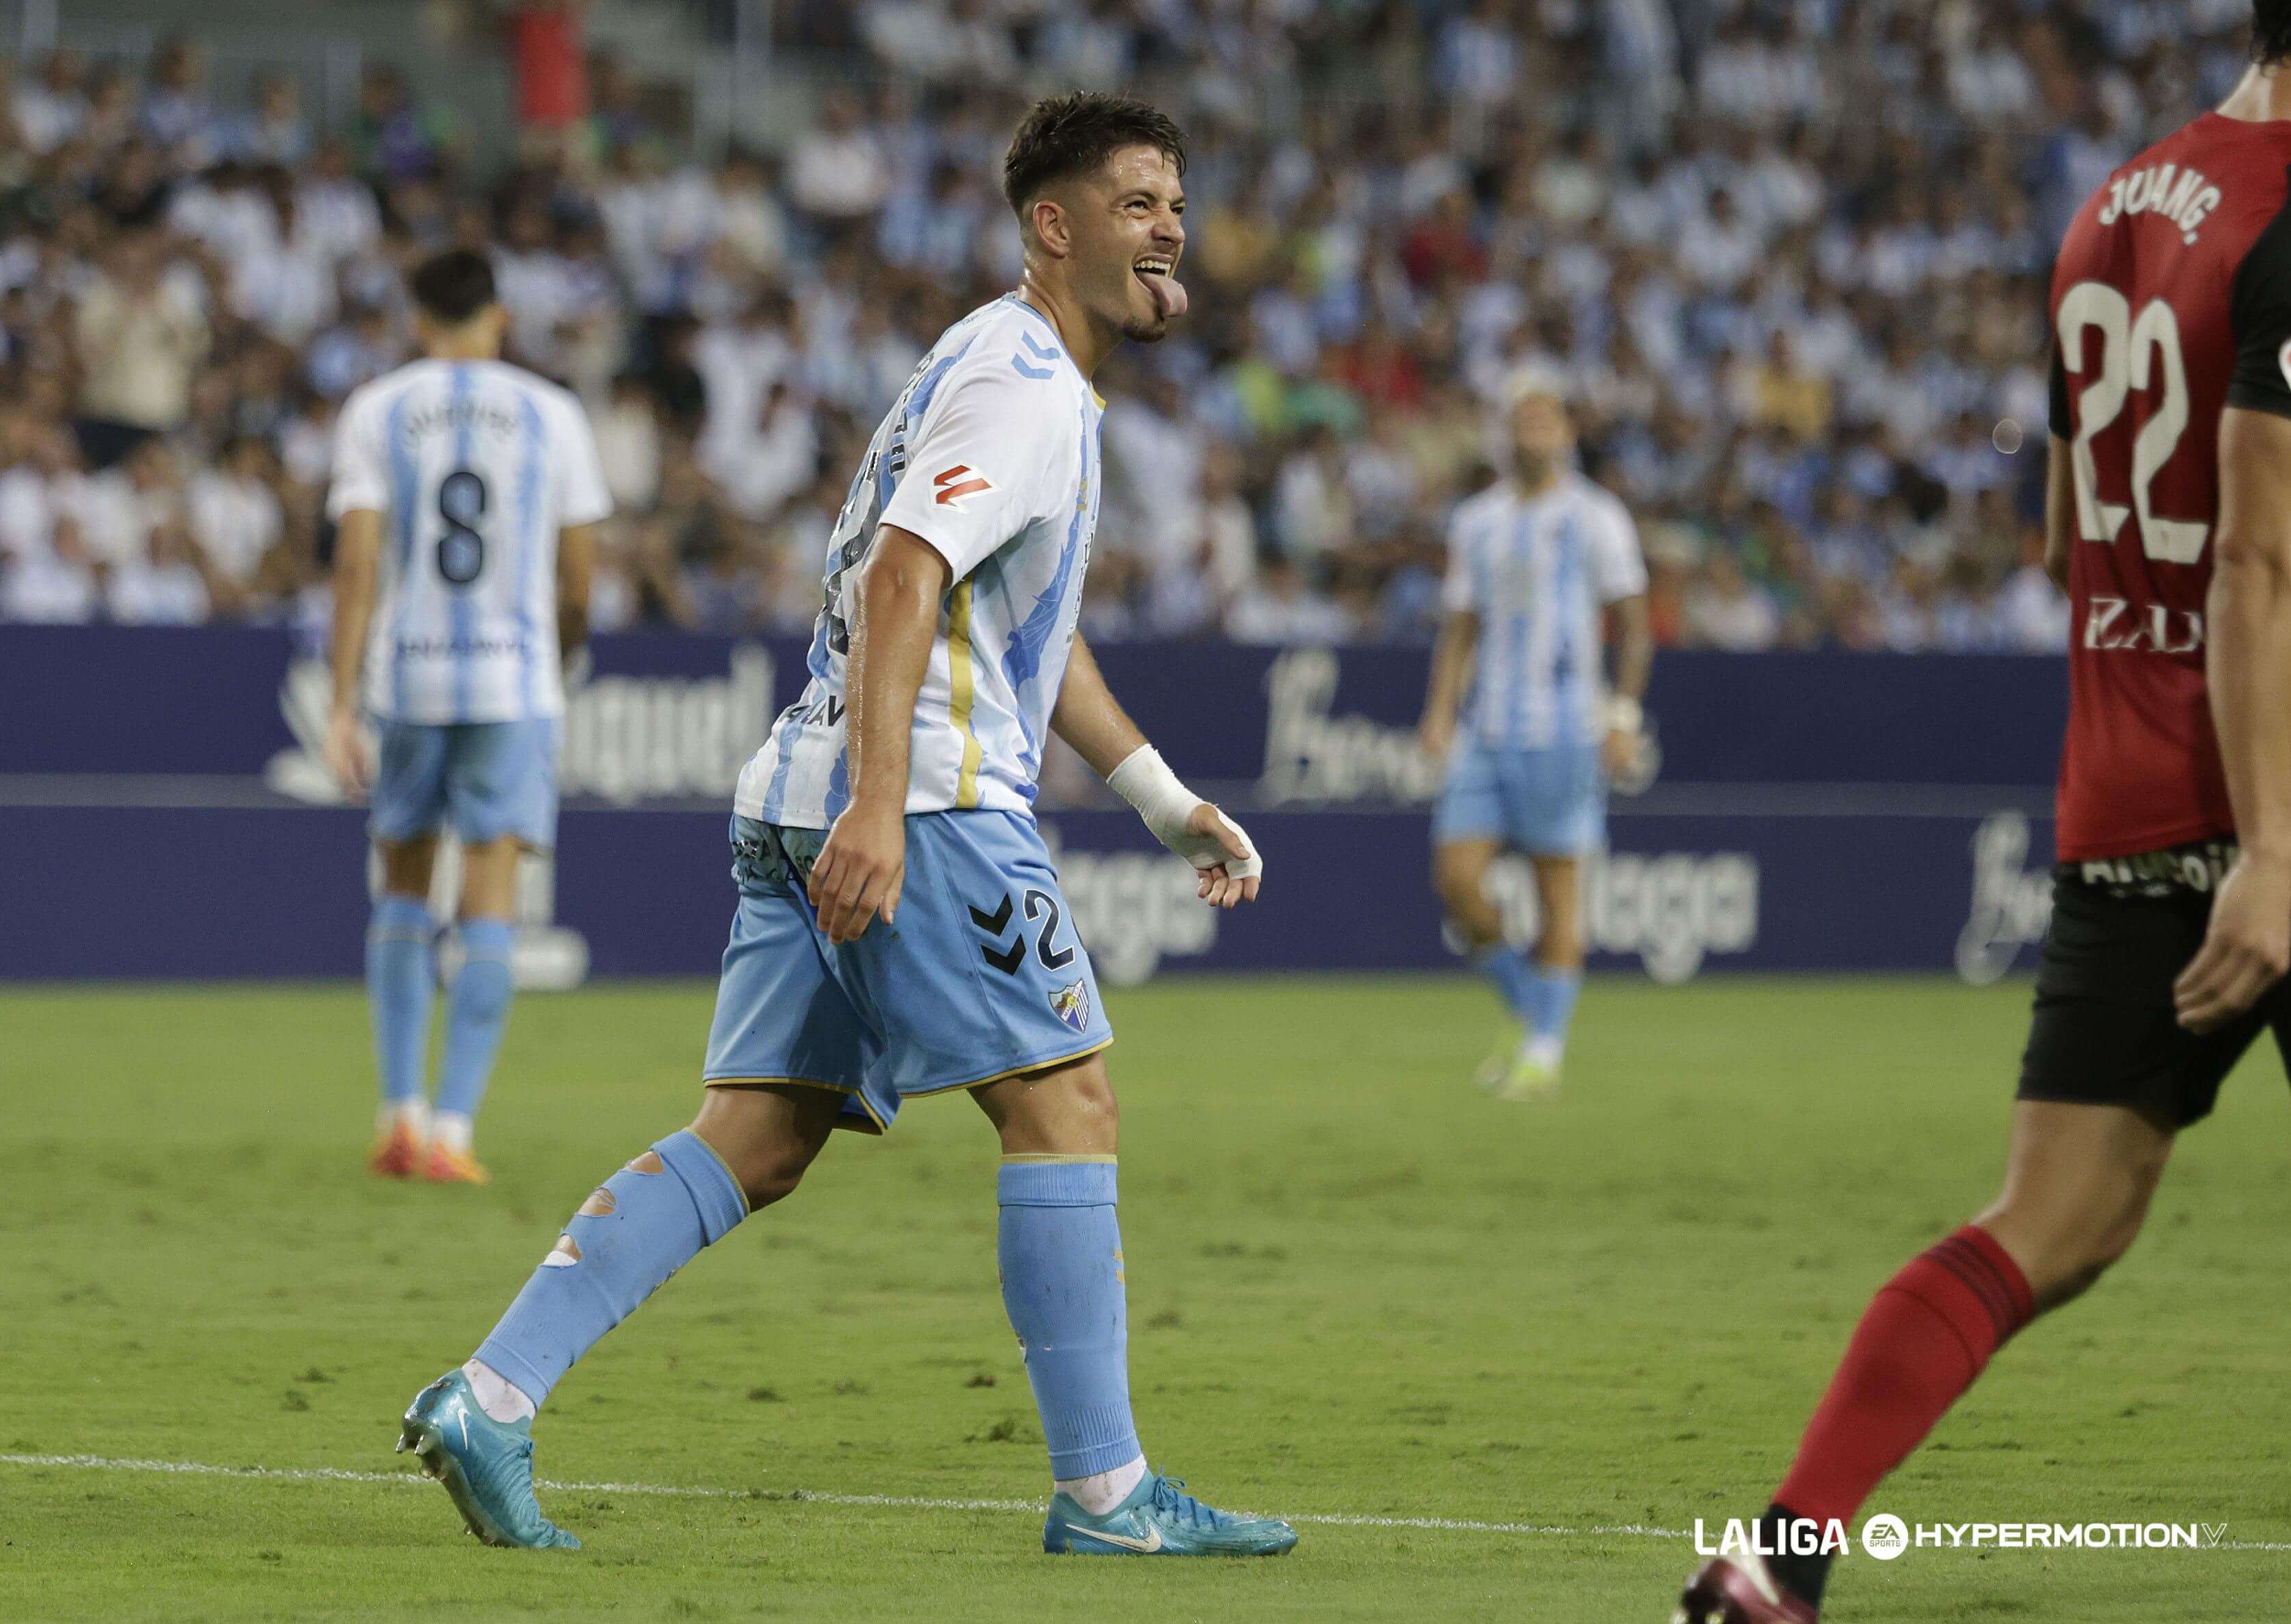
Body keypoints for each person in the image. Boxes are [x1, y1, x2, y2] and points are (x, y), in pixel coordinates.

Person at [395, 91, 1296, 1561]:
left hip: (801, 788)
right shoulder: (1023, 385)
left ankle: (488, 1397)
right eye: (1137, 204)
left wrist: (1159, 796)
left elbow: (1029, 631)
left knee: (753, 1134)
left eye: (1175, 204)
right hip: (920, 801)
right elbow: (902, 577)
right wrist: (883, 803)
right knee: (1063, 1102)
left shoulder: (982, 359)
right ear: (1050, 228)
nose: (1169, 229)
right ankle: (1109, 1496)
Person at [1681, 12, 2291, 1618]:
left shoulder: (2112, 206)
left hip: (2126, 795)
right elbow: (2256, 560)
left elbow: (2058, 539)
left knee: (2052, 1222)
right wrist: (2276, 852)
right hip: (2276, 808)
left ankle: (1780, 1553)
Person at [321, 248, 607, 1185]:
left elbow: (357, 563)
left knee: (402, 889)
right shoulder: (552, 414)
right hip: (511, 683)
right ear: (497, 316)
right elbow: (577, 577)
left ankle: (396, 1112)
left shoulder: (378, 409)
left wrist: (338, 697)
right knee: (488, 899)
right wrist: (556, 656)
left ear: (416, 317)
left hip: (409, 679)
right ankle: (452, 1130)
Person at [1416, 382, 1650, 1102]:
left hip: (1566, 730)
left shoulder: (1596, 517)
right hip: (1489, 728)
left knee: (1557, 894)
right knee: (1457, 880)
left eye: (1546, 419)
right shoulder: (1478, 521)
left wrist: (1622, 714)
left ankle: (1542, 1051)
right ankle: (1534, 1014)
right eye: (1523, 420)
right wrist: (1438, 712)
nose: (1534, 432)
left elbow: (1633, 623)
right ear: (1506, 433)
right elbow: (1461, 626)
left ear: (1568, 432)